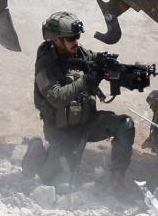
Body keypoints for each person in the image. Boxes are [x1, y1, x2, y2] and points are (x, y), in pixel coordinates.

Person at [29, 12, 135, 193]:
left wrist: (128, 76)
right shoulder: (46, 63)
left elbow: (103, 66)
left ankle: (117, 179)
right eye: (70, 38)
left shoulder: (81, 53)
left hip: (88, 123)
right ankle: (36, 155)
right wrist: (88, 80)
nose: (75, 42)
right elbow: (56, 98)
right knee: (61, 186)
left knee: (125, 125)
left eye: (77, 37)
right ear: (56, 40)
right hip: (62, 133)